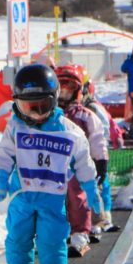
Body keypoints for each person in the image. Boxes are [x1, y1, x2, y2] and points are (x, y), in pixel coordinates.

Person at [0, 63, 99, 264]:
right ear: (18, 103)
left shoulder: (68, 131)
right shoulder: (16, 127)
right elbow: (4, 154)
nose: (36, 114)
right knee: (18, 236)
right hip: (22, 195)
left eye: (43, 106)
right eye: (29, 107)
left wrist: (90, 188)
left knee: (53, 237)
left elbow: (83, 160)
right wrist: (0, 177)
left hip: (52, 196)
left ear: (54, 100)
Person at [56, 64, 106, 252]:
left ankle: (81, 232)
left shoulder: (85, 116)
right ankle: (55, 233)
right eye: (61, 89)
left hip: (78, 164)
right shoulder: (49, 116)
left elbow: (97, 139)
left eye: (69, 89)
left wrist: (101, 161)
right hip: (53, 164)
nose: (64, 94)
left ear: (77, 91)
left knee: (78, 195)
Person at [80, 78, 121, 232]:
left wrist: (102, 152)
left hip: (93, 152)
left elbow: (104, 128)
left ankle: (103, 217)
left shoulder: (92, 108)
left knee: (100, 184)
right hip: (84, 151)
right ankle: (90, 219)